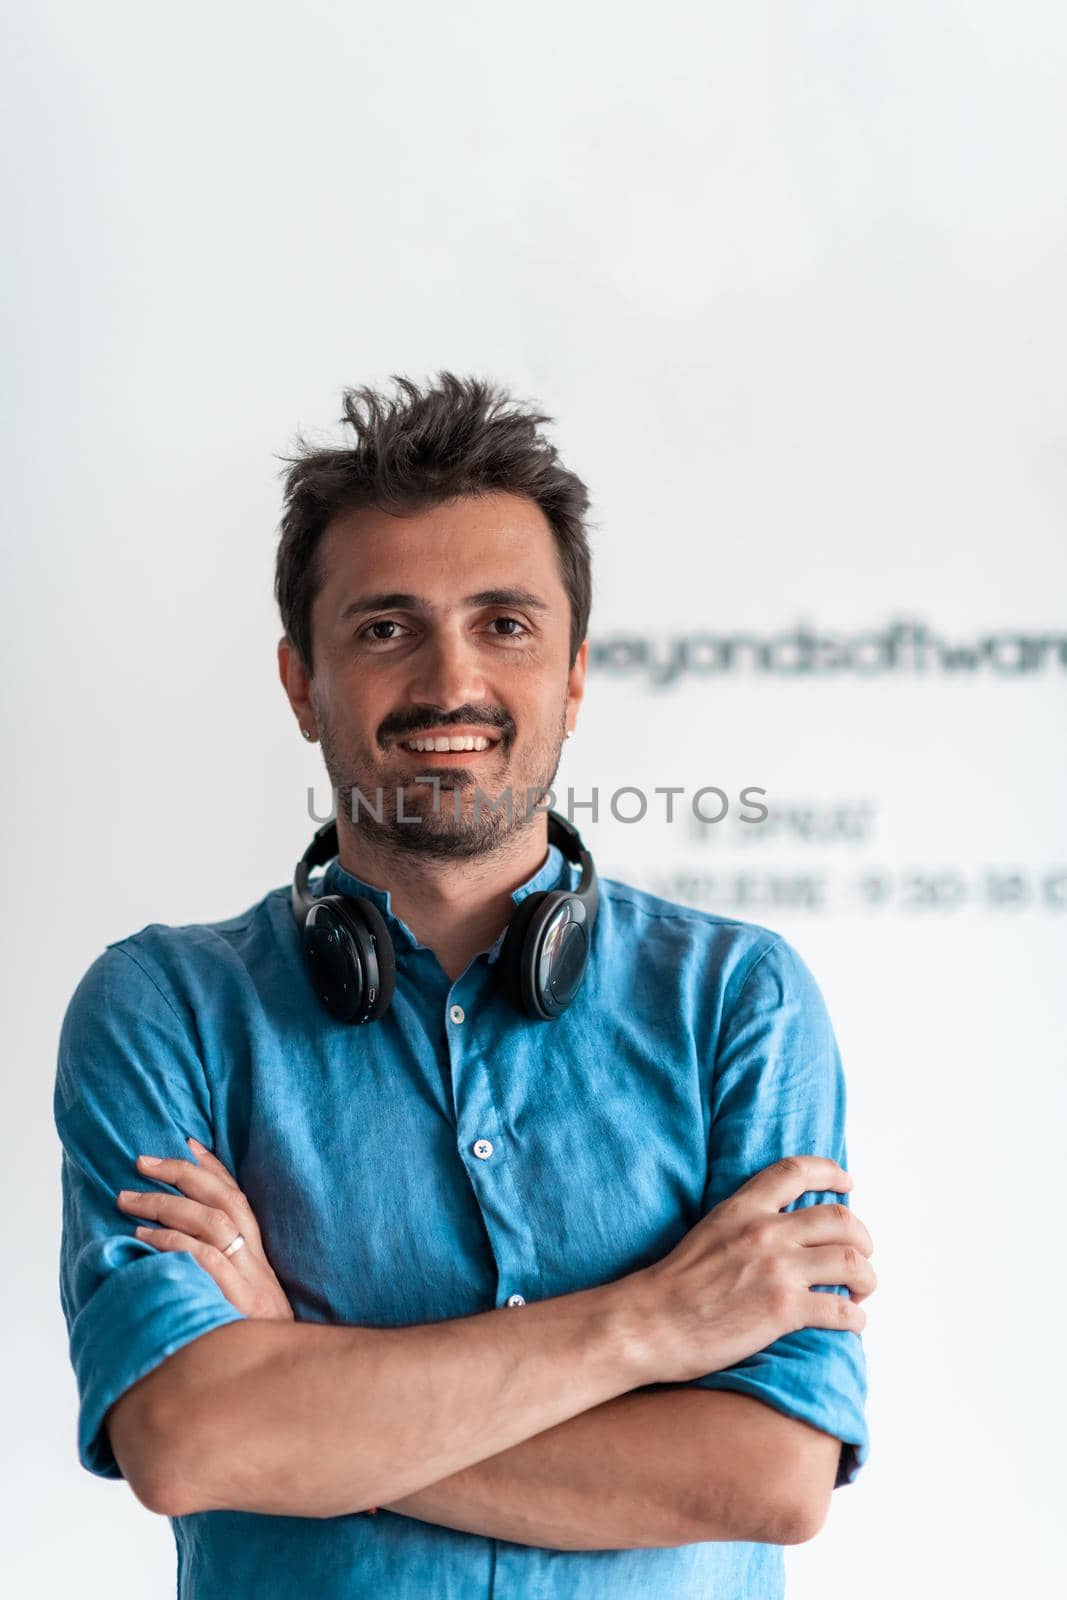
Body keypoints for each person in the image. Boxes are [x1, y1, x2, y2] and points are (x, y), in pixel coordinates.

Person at [54, 372, 875, 1599]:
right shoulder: (162, 1007)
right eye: (386, 627)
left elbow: (764, 1474)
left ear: (574, 675)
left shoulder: (735, 1000)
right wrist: (645, 1327)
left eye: (504, 623)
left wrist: (298, 1385)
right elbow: (189, 1440)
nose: (451, 683)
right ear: (299, 683)